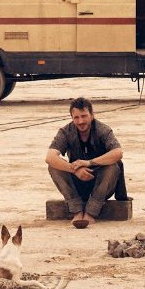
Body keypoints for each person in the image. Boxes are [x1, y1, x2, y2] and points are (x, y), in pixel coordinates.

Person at [45, 96, 125, 229]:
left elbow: (118, 153)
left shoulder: (103, 130)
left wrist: (89, 163)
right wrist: (74, 169)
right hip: (77, 182)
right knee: (54, 167)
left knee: (113, 166)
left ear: (92, 115)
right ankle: (77, 211)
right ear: (72, 118)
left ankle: (90, 212)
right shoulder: (66, 131)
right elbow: (50, 157)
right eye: (76, 117)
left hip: (101, 183)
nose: (80, 121)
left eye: (84, 116)